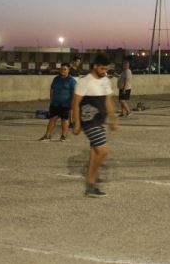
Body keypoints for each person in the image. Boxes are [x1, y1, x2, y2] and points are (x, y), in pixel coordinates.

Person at [71, 53, 118, 197]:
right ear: (95, 66)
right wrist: (76, 123)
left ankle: (90, 185)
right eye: (102, 69)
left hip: (99, 120)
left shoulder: (105, 80)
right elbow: (75, 103)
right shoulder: (85, 81)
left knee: (95, 152)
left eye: (106, 69)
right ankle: (91, 182)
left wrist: (113, 117)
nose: (105, 72)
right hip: (88, 120)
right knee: (103, 151)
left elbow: (108, 100)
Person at [38, 63, 76, 142]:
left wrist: (72, 104)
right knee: (52, 119)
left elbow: (74, 93)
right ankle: (47, 136)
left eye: (65, 69)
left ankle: (63, 136)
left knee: (64, 120)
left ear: (68, 70)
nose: (62, 70)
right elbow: (52, 90)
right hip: (55, 103)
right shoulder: (56, 79)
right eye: (61, 69)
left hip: (66, 104)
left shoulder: (71, 81)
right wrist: (51, 101)